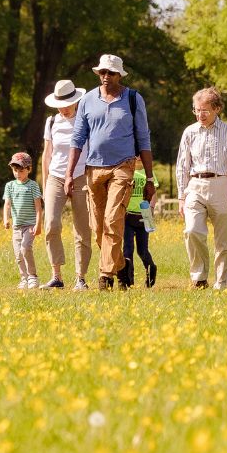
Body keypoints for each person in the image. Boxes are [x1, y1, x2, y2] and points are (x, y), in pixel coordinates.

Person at [66, 53, 156, 290]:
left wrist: (149, 178)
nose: (106, 77)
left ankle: (105, 275)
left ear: (119, 75)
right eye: (102, 72)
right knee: (98, 229)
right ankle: (121, 266)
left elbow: (144, 139)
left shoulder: (133, 99)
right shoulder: (86, 100)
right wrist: (68, 174)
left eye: (111, 73)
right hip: (94, 169)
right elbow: (77, 139)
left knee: (112, 220)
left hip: (123, 166)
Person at [175, 86, 227, 290]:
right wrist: (181, 196)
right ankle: (199, 277)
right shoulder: (189, 132)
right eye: (196, 110)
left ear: (217, 109)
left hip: (222, 184)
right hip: (195, 185)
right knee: (192, 230)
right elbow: (182, 165)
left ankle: (222, 282)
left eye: (204, 110)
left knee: (224, 239)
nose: (200, 114)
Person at [40, 79, 91, 291]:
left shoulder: (85, 120)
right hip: (56, 177)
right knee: (51, 224)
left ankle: (80, 277)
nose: (64, 108)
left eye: (68, 104)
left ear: (76, 101)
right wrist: (44, 186)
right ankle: (56, 275)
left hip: (80, 176)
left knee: (82, 228)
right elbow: (47, 154)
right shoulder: (51, 122)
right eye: (60, 104)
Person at [3, 151, 43, 289]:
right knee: (18, 254)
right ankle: (24, 278)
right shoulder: (10, 186)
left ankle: (33, 276)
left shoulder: (32, 186)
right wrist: (6, 219)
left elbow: (38, 207)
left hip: (30, 225)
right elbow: (7, 204)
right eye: (15, 170)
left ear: (29, 169)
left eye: (21, 170)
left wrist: (38, 224)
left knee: (26, 248)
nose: (18, 173)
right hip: (17, 226)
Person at [118, 160, 157, 288]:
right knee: (127, 249)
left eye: (141, 155)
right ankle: (129, 281)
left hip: (144, 215)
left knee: (142, 250)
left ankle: (151, 269)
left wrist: (151, 208)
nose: (139, 157)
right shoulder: (128, 173)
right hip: (128, 216)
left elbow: (154, 193)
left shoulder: (148, 174)